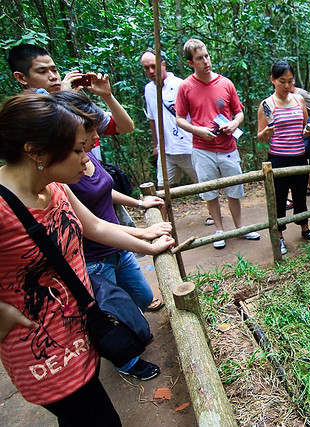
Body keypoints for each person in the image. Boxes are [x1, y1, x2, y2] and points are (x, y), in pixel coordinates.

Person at [0, 92, 173, 425]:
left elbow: (93, 226)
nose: (87, 159)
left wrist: (147, 244)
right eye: (78, 150)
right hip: (44, 357)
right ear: (36, 151)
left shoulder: (55, 186)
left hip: (82, 332)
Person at [57, 90, 169, 379]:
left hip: (118, 247)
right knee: (112, 317)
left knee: (141, 298)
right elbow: (91, 225)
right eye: (86, 138)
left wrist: (139, 206)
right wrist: (145, 238)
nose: (94, 142)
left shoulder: (83, 158)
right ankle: (126, 361)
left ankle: (134, 331)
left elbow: (102, 199)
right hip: (93, 260)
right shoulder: (59, 179)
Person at [175, 38, 260, 249]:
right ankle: (219, 231)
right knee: (210, 191)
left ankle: (240, 228)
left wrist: (233, 124)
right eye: (199, 58)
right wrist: (198, 130)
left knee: (234, 189)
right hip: (202, 148)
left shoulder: (226, 83)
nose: (205, 61)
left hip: (228, 147)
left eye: (206, 56)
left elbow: (239, 112)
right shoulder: (185, 87)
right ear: (190, 63)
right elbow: (179, 118)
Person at [8, 43, 135, 161]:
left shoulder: (75, 102)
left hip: (95, 179)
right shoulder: (25, 113)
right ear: (21, 77)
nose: (53, 76)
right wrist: (63, 99)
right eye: (42, 72)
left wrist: (107, 96)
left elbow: (125, 127)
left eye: (54, 70)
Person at [257, 60, 310, 255]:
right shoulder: (267, 105)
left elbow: (305, 126)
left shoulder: (299, 100)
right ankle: (279, 236)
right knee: (279, 198)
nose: (287, 86)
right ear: (273, 80)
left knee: (300, 194)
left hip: (299, 156)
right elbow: (260, 136)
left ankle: (305, 229)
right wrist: (266, 135)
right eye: (282, 81)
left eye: (290, 81)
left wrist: (308, 131)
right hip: (278, 159)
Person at [140, 49, 197, 191]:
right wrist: (156, 145)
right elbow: (152, 118)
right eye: (147, 68)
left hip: (188, 147)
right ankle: (163, 214)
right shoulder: (148, 89)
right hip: (166, 151)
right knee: (162, 191)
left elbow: (196, 113)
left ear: (163, 64)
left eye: (154, 66)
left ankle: (215, 214)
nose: (151, 71)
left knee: (205, 187)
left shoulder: (181, 85)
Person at [289, 79, 310, 197]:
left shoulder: (301, 94)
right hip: (293, 134)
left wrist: (308, 123)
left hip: (303, 132)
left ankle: (299, 192)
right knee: (304, 163)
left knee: (301, 161)